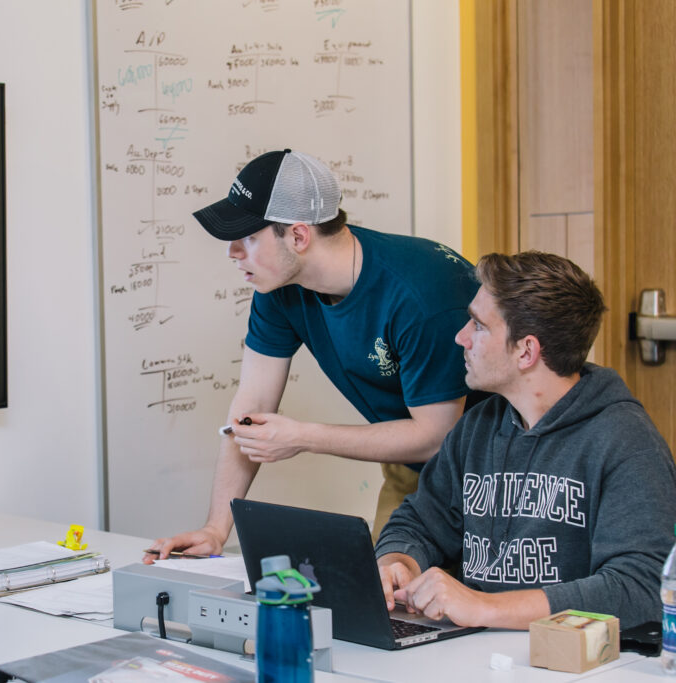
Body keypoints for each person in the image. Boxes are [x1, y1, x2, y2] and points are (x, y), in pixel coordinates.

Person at [144, 149, 481, 562]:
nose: (233, 252)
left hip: (501, 469)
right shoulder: (279, 287)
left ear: (299, 236)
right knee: (385, 606)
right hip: (412, 468)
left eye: (248, 237)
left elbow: (436, 437)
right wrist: (216, 529)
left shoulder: (420, 295)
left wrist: (303, 437)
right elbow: (250, 407)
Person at [375, 251, 676, 629]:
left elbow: (641, 587)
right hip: (480, 656)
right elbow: (419, 521)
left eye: (478, 325)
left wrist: (486, 607)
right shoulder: (478, 427)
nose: (461, 337)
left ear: (526, 351)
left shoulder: (626, 441)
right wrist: (397, 562)